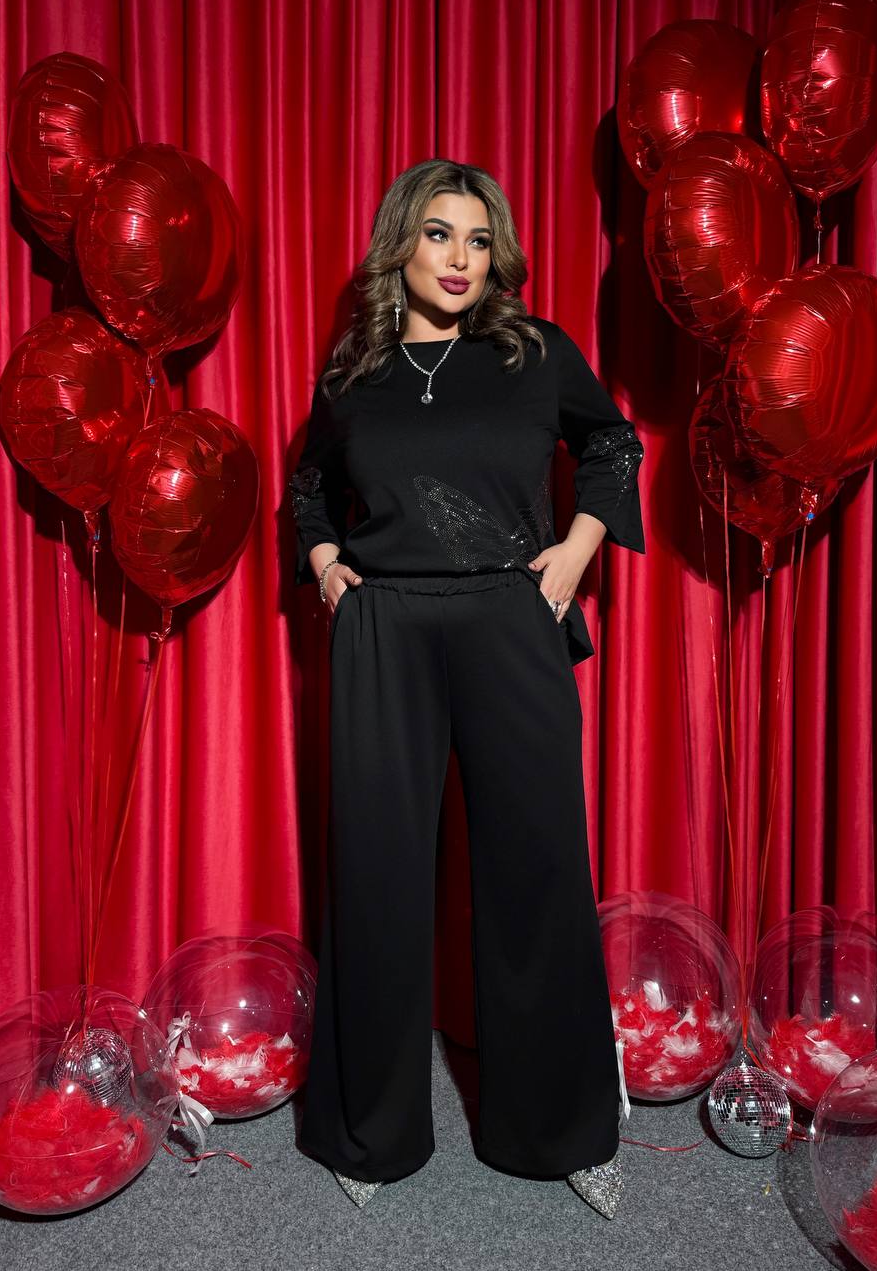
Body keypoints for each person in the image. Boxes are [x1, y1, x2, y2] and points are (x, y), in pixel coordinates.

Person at [289, 159, 645, 1220]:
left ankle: (560, 1127)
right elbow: (309, 485)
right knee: (378, 876)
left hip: (509, 617)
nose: (459, 258)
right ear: (400, 242)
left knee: (538, 868)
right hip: (386, 627)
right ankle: (372, 1130)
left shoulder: (534, 353)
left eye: (479, 239)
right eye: (439, 233)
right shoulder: (355, 374)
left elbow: (613, 440)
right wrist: (325, 564)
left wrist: (577, 549)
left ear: (499, 256)